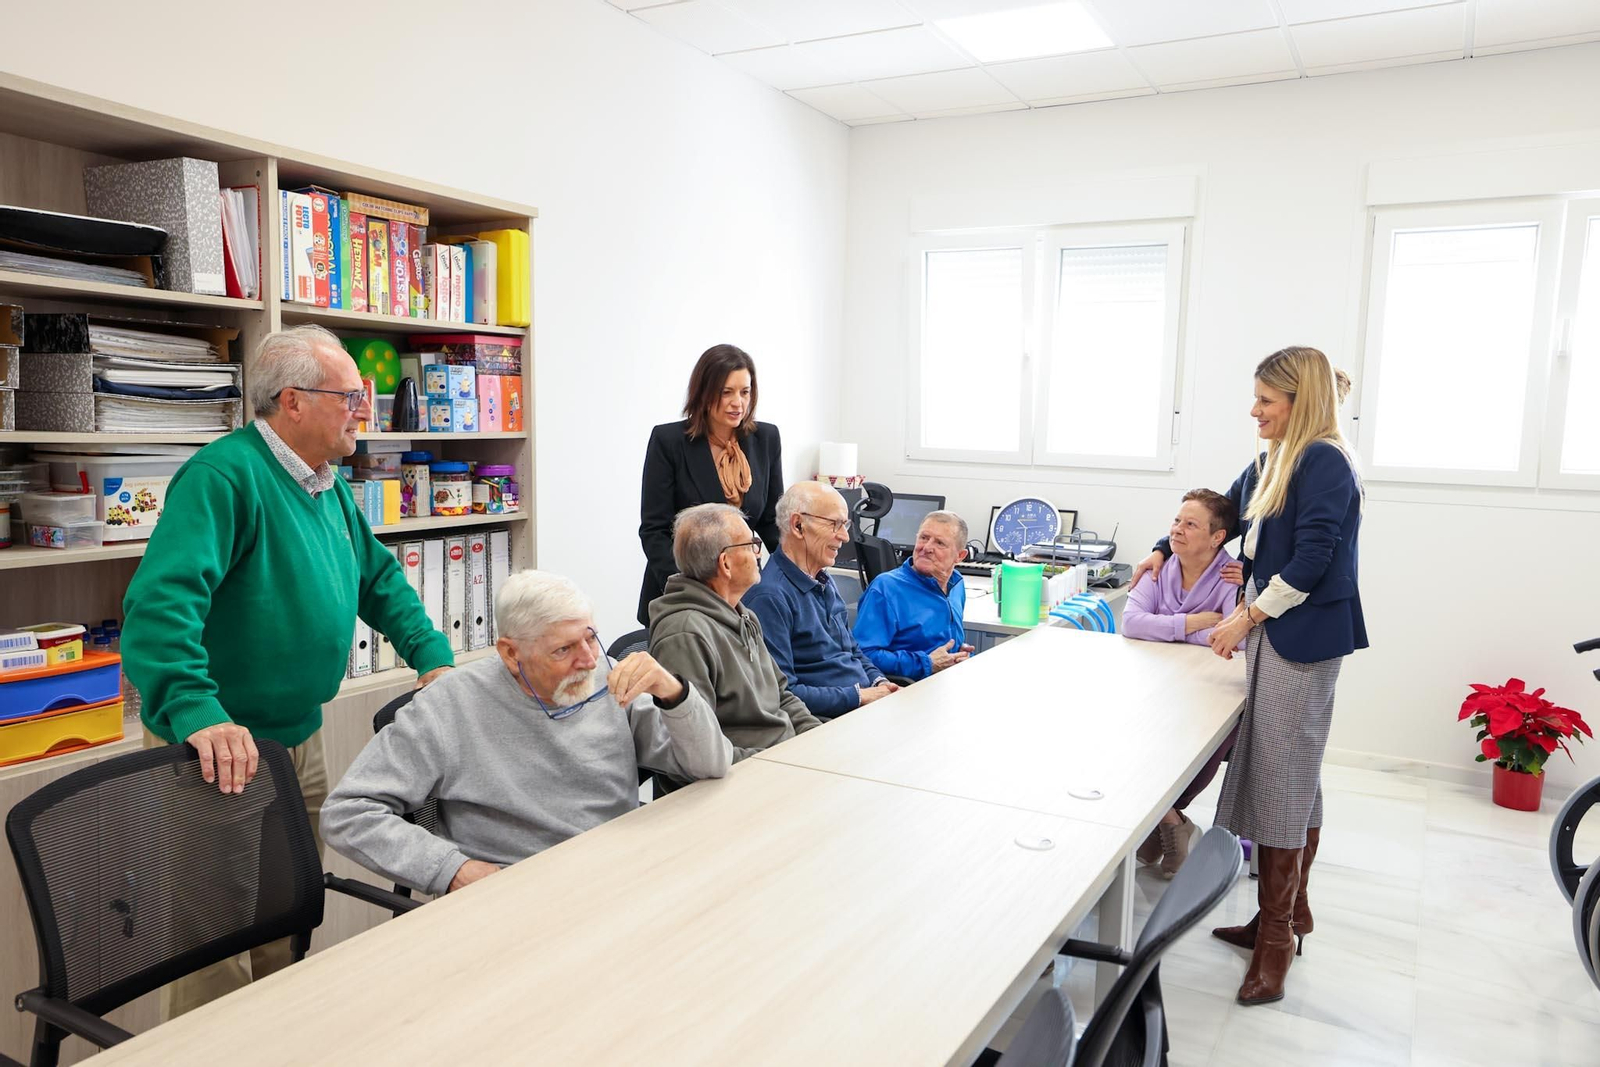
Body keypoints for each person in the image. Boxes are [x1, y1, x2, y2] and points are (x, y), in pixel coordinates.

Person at [121, 323, 452, 1018]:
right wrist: (196, 708)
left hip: (298, 739)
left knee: (285, 925)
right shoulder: (223, 476)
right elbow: (158, 608)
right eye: (351, 396)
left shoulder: (326, 483)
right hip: (217, 750)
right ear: (293, 401)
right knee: (215, 947)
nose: (364, 408)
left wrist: (432, 656)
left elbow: (378, 579)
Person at [1142, 347, 1365, 1007]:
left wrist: (1244, 618)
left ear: (1300, 403)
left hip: (1302, 633)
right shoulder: (1273, 460)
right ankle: (1291, 912)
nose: (1255, 410)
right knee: (1291, 769)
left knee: (1281, 772)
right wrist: (1161, 548)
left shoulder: (1323, 459)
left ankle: (1275, 941)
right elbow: (1223, 511)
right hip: (1276, 629)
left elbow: (1316, 557)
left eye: (1267, 400)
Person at [322, 570, 731, 896]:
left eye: (590, 637)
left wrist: (675, 694)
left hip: (622, 872)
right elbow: (348, 813)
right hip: (524, 893)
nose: (588, 660)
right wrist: (453, 870)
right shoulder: (449, 706)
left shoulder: (603, 674)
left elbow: (711, 763)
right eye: (563, 650)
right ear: (511, 653)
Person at [1122, 489, 1243, 879]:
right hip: (1153, 681)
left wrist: (1164, 628)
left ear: (1216, 537)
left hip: (1208, 686)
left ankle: (1167, 821)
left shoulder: (1232, 576)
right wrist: (1191, 623)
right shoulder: (1157, 567)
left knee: (1195, 743)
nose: (1177, 530)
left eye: (1191, 524)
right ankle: (1172, 824)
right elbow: (1130, 623)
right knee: (1131, 739)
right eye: (1177, 521)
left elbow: (1231, 638)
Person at [648, 503, 823, 764]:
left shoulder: (744, 615)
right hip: (745, 777)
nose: (758, 554)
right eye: (751, 545)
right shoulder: (684, 635)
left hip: (783, 760)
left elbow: (782, 694)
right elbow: (699, 749)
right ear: (726, 563)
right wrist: (786, 760)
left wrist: (818, 738)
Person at [637, 344, 783, 625]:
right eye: (726, 392)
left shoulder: (766, 438)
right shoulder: (669, 442)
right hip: (683, 596)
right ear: (703, 393)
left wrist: (793, 570)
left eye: (745, 392)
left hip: (744, 590)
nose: (737, 402)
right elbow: (654, 530)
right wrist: (694, 589)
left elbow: (770, 522)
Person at [741, 482, 897, 719]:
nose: (844, 536)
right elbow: (782, 694)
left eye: (845, 525)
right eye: (834, 524)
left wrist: (880, 682)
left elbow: (852, 650)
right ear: (798, 525)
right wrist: (860, 697)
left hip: (862, 710)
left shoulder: (823, 579)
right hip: (826, 724)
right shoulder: (769, 597)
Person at [853, 510, 974, 682]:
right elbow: (863, 654)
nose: (927, 548)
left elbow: (942, 642)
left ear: (960, 556)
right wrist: (926, 663)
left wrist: (959, 653)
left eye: (939, 543)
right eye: (924, 538)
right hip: (906, 690)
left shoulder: (957, 584)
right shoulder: (886, 588)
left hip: (947, 682)